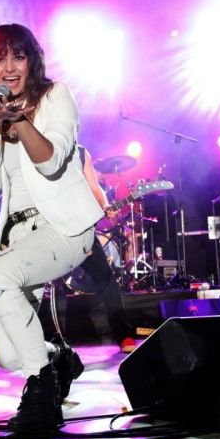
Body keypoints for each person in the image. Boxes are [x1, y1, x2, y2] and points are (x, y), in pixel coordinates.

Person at [0, 23, 105, 433]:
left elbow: (51, 161)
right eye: (0, 58)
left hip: (63, 226)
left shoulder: (55, 97)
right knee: (9, 355)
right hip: (19, 236)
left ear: (32, 61)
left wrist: (20, 120)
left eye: (18, 56)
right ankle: (59, 359)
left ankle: (42, 395)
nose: (9, 67)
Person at [77, 146, 136, 353]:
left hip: (80, 230)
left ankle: (124, 335)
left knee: (106, 279)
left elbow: (94, 186)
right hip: (49, 229)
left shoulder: (80, 152)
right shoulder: (38, 147)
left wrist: (104, 204)